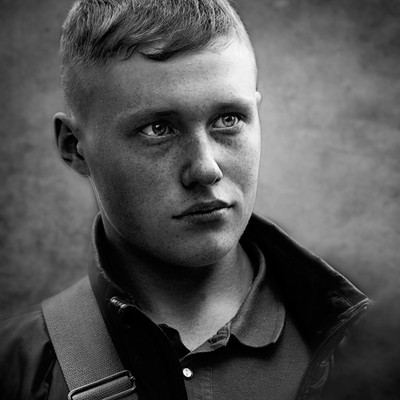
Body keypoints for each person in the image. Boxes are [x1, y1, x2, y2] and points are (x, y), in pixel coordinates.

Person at [0, 0, 369, 399]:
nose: (205, 169)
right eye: (158, 129)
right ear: (74, 146)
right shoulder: (19, 368)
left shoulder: (368, 346)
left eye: (228, 120)